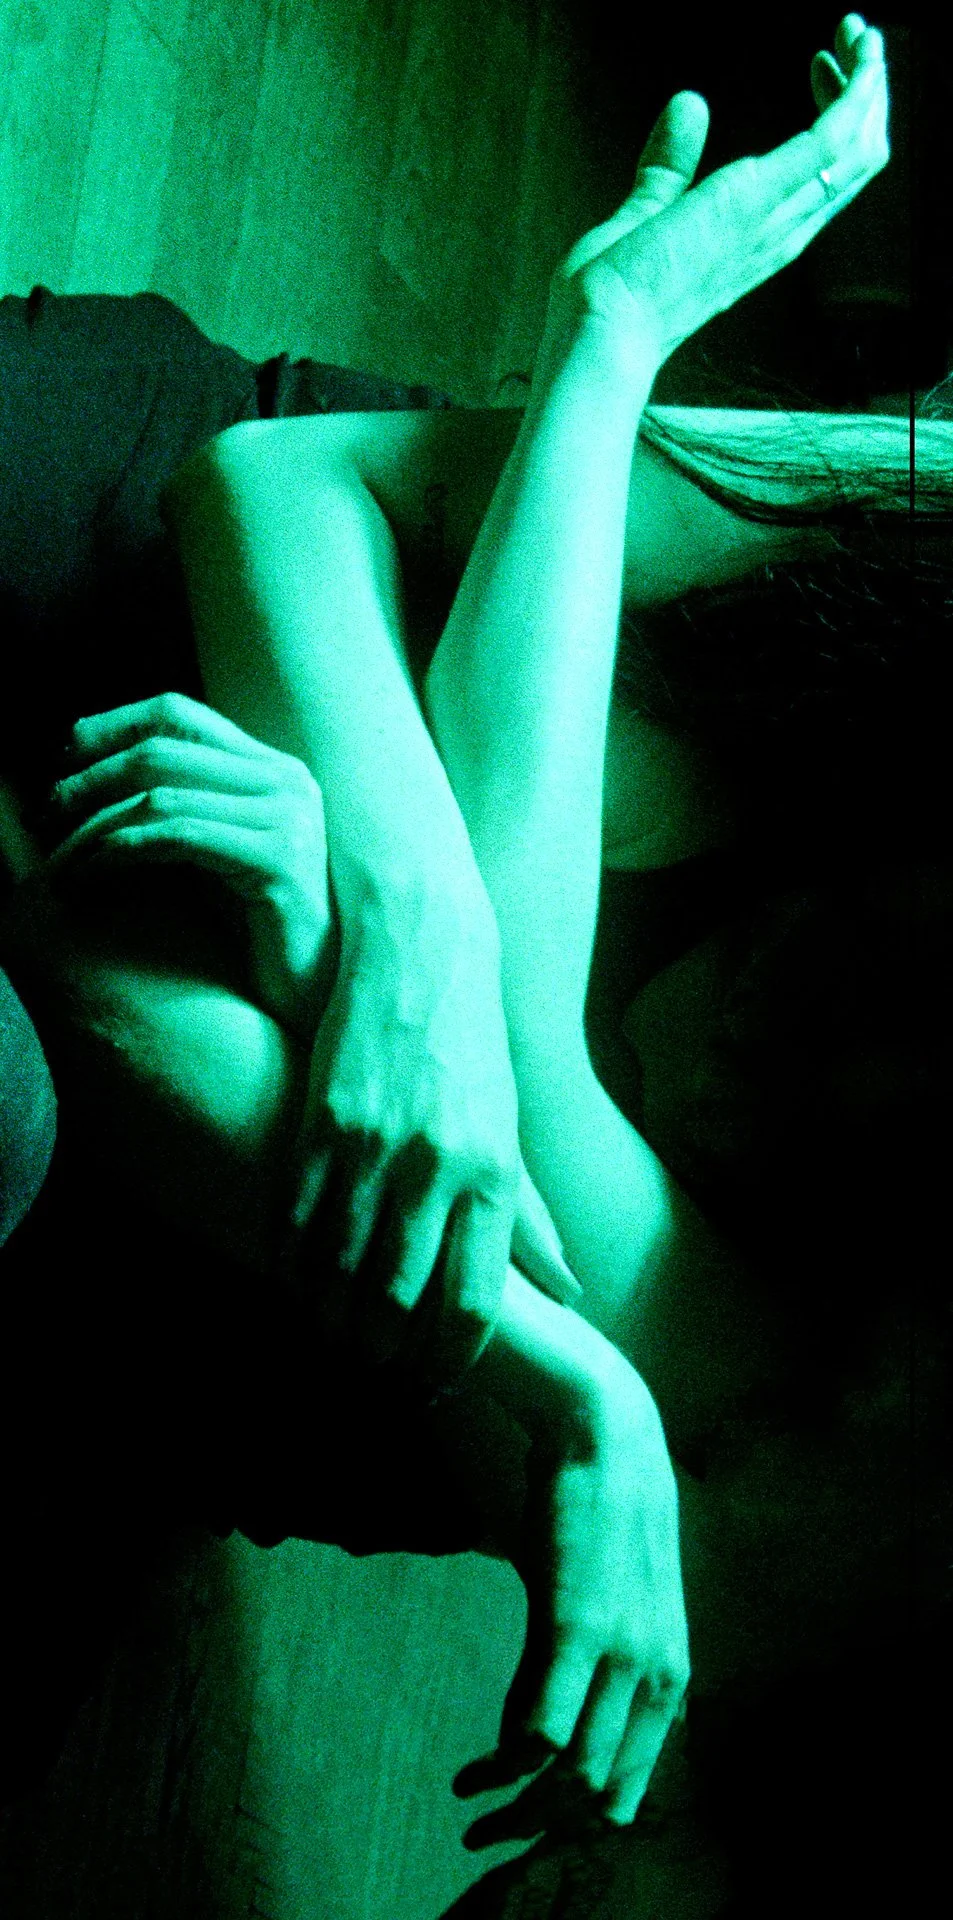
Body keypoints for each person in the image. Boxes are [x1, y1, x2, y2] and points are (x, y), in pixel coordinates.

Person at [0, 12, 917, 1871]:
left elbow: (451, 1124)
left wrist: (327, 930)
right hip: (199, 612)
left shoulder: (873, 1470)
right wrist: (398, 916)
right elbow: (281, 491)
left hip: (217, 1165)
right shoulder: (933, 566)